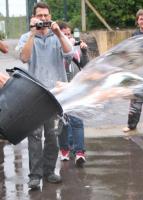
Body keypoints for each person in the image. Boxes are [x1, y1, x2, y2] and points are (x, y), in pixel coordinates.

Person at [17, 2, 73, 189]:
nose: (43, 19)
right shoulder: (27, 37)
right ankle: (35, 175)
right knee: (34, 136)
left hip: (55, 94)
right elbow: (24, 58)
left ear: (50, 17)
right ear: (33, 18)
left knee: (52, 135)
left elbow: (70, 53)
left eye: (46, 16)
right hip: (33, 94)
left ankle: (49, 171)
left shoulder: (57, 36)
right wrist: (32, 33)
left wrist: (58, 33)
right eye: (39, 16)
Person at [57, 21, 88, 165]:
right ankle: (64, 149)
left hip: (76, 88)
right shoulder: (55, 48)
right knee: (63, 122)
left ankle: (80, 152)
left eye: (69, 34)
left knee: (77, 121)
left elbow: (85, 66)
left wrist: (85, 51)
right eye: (64, 34)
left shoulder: (77, 48)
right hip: (60, 89)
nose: (68, 37)